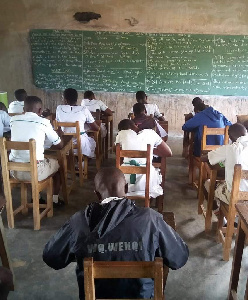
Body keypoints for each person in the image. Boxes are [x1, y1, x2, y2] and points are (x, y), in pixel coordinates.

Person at [43, 167, 189, 300]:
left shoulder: (79, 222)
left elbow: (52, 257)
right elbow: (179, 257)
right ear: (126, 188)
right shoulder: (150, 219)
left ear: (97, 195)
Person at [201, 123, 248, 206]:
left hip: (237, 199)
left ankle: (218, 213)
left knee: (207, 183)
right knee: (229, 182)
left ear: (230, 137)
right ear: (246, 133)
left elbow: (204, 158)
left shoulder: (231, 148)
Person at [10, 96, 64, 207]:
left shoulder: (13, 120)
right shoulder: (44, 122)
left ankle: (37, 198)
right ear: (40, 110)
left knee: (30, 163)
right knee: (58, 167)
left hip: (14, 171)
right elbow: (59, 145)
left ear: (24, 109)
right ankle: (55, 200)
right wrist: (59, 134)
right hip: (35, 172)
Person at [116, 119, 172, 198]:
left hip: (125, 186)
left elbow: (116, 151)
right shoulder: (151, 133)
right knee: (155, 173)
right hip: (147, 185)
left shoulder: (121, 134)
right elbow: (168, 153)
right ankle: (148, 203)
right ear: (136, 125)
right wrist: (150, 151)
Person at [56, 88, 99, 158]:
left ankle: (71, 162)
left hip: (64, 142)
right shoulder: (83, 109)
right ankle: (82, 162)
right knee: (92, 141)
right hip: (80, 144)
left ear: (65, 99)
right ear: (77, 99)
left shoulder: (59, 108)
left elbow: (58, 127)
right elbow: (95, 128)